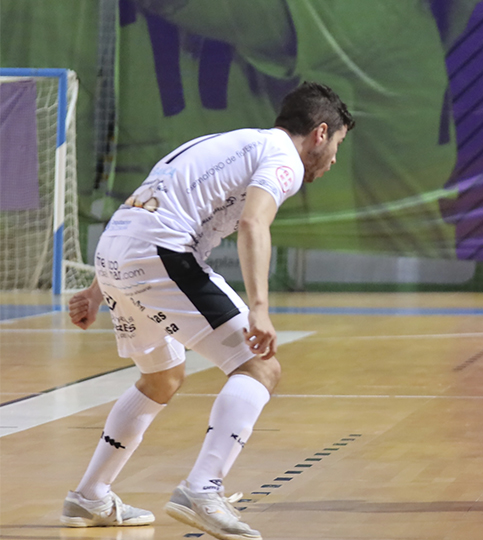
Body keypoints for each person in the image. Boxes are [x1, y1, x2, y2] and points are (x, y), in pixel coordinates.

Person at [60, 82, 354, 539]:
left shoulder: (222, 143)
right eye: (337, 144)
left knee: (162, 377)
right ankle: (202, 488)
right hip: (160, 253)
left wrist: (99, 289)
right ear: (319, 133)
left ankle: (90, 495)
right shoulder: (283, 158)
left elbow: (145, 206)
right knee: (260, 366)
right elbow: (254, 222)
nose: (334, 158)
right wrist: (259, 308)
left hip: (117, 250)